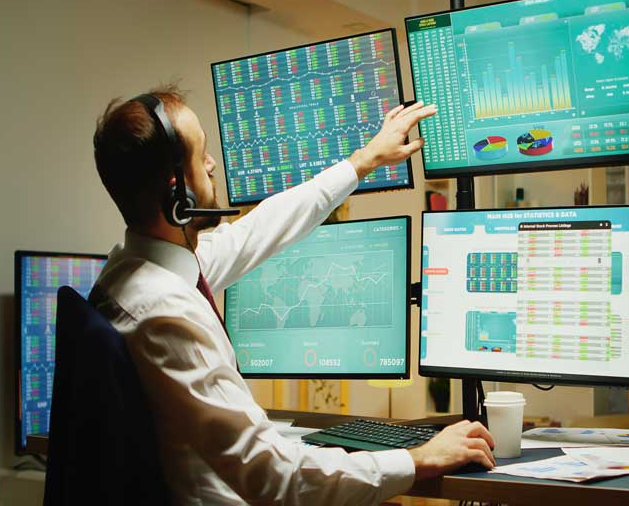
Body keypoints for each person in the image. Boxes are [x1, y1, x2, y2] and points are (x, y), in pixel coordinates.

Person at [91, 85, 495, 506]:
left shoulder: (135, 270)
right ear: (179, 192)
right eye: (202, 154)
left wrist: (363, 162)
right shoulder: (164, 314)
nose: (212, 166)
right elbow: (275, 477)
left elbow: (259, 229)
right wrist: (418, 460)